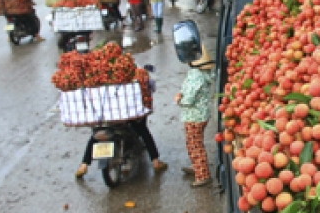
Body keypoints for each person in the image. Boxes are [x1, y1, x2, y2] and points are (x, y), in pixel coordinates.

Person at [174, 44, 215, 187]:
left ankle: (203, 175)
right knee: (197, 143)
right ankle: (198, 167)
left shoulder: (195, 76)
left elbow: (189, 99)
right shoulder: (205, 74)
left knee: (195, 146)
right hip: (202, 115)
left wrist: (179, 99)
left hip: (193, 117)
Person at [76, 118, 168, 178]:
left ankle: (84, 165)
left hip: (105, 117)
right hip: (123, 116)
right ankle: (155, 161)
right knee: (142, 128)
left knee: (96, 135)